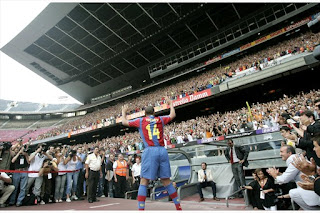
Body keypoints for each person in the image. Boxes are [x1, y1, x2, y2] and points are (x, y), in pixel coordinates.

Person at [121, 97, 182, 210]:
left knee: (144, 181)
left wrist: (124, 112)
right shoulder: (160, 119)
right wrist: (171, 104)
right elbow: (172, 115)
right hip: (162, 150)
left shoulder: (140, 121)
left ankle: (141, 209)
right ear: (154, 112)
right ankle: (178, 207)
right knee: (167, 181)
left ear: (144, 113)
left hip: (150, 151)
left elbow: (124, 122)